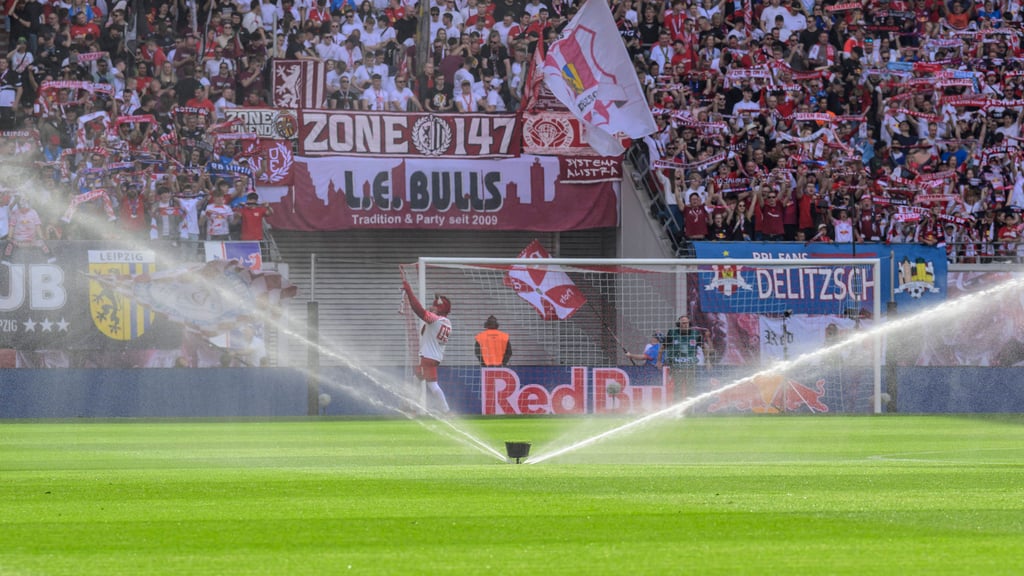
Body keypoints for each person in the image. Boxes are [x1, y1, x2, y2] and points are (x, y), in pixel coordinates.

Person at [401, 276, 452, 413]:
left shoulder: (436, 320)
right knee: (417, 379)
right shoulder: (447, 322)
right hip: (433, 357)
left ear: (441, 309)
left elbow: (419, 311)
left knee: (432, 385)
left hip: (427, 357)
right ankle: (411, 407)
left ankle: (446, 411)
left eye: (435, 306)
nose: (432, 307)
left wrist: (409, 291)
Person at [659, 315, 711, 401]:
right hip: (676, 366)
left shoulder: (695, 334)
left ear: (689, 323)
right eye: (683, 323)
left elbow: (704, 347)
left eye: (686, 323)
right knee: (677, 388)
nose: (685, 325)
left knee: (690, 388)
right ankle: (676, 408)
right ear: (679, 324)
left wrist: (707, 360)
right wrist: (659, 361)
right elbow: (662, 348)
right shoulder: (672, 333)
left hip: (690, 367)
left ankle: (689, 410)